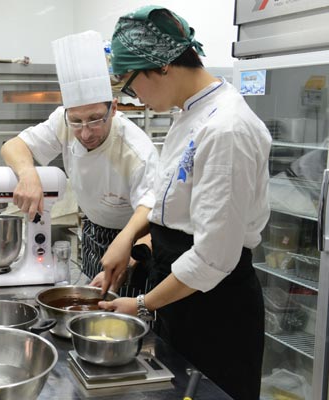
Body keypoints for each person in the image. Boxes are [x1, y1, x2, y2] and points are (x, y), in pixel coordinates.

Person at [96, 6, 271, 400]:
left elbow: (212, 257)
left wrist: (141, 304)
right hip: (182, 297)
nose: (132, 97)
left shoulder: (227, 128)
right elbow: (170, 201)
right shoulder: (189, 113)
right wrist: (128, 239)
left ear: (161, 67)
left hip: (216, 311)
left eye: (129, 84)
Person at [1, 30, 158, 296]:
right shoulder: (62, 121)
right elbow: (13, 146)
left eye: (96, 119)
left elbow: (154, 215)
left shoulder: (136, 151)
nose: (85, 132)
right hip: (94, 231)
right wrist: (28, 174)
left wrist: (128, 253)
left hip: (135, 241)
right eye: (76, 121)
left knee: (124, 315)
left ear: (114, 109)